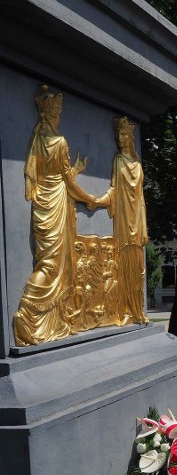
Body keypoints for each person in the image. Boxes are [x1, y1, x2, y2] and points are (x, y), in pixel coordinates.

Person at [13, 85, 96, 345]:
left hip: (43, 205)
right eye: (58, 111)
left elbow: (49, 176)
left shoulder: (38, 138)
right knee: (52, 266)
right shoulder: (59, 142)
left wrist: (75, 170)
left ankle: (51, 322)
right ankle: (27, 311)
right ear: (51, 114)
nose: (60, 116)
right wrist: (90, 198)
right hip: (58, 205)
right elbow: (66, 184)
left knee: (47, 263)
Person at [92, 116, 149, 326]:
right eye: (118, 134)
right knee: (124, 270)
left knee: (138, 272)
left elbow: (141, 198)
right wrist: (97, 201)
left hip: (137, 223)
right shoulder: (118, 160)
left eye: (125, 134)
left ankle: (138, 311)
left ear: (131, 137)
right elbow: (114, 190)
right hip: (124, 224)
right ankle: (125, 310)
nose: (120, 138)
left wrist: (144, 226)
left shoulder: (137, 164)